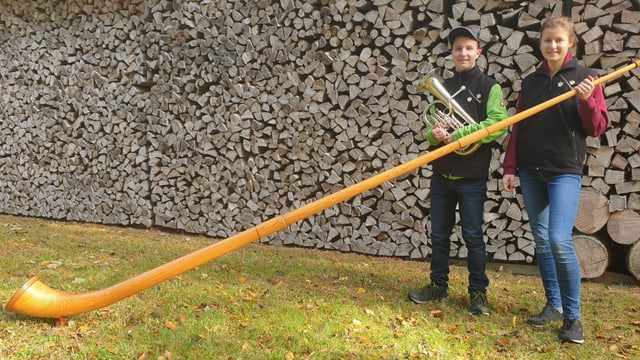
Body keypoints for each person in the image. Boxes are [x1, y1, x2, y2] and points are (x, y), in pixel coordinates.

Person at [501, 16, 609, 344]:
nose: (552, 46)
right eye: (547, 41)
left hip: (564, 170)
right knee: (542, 240)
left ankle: (573, 318)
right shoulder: (532, 82)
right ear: (541, 43)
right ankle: (554, 305)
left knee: (560, 240)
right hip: (531, 172)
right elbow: (518, 127)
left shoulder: (587, 78)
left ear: (570, 43)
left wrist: (588, 99)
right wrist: (510, 168)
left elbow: (597, 127)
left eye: (559, 40)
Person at [408, 26, 509, 316]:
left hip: (472, 175)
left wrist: (464, 134)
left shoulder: (490, 87)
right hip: (442, 173)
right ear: (451, 53)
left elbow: (499, 123)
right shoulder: (446, 86)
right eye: (457, 49)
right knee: (439, 234)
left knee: (473, 236)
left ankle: (478, 293)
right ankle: (437, 285)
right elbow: (430, 130)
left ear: (479, 52)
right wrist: (436, 134)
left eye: (468, 48)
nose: (463, 53)